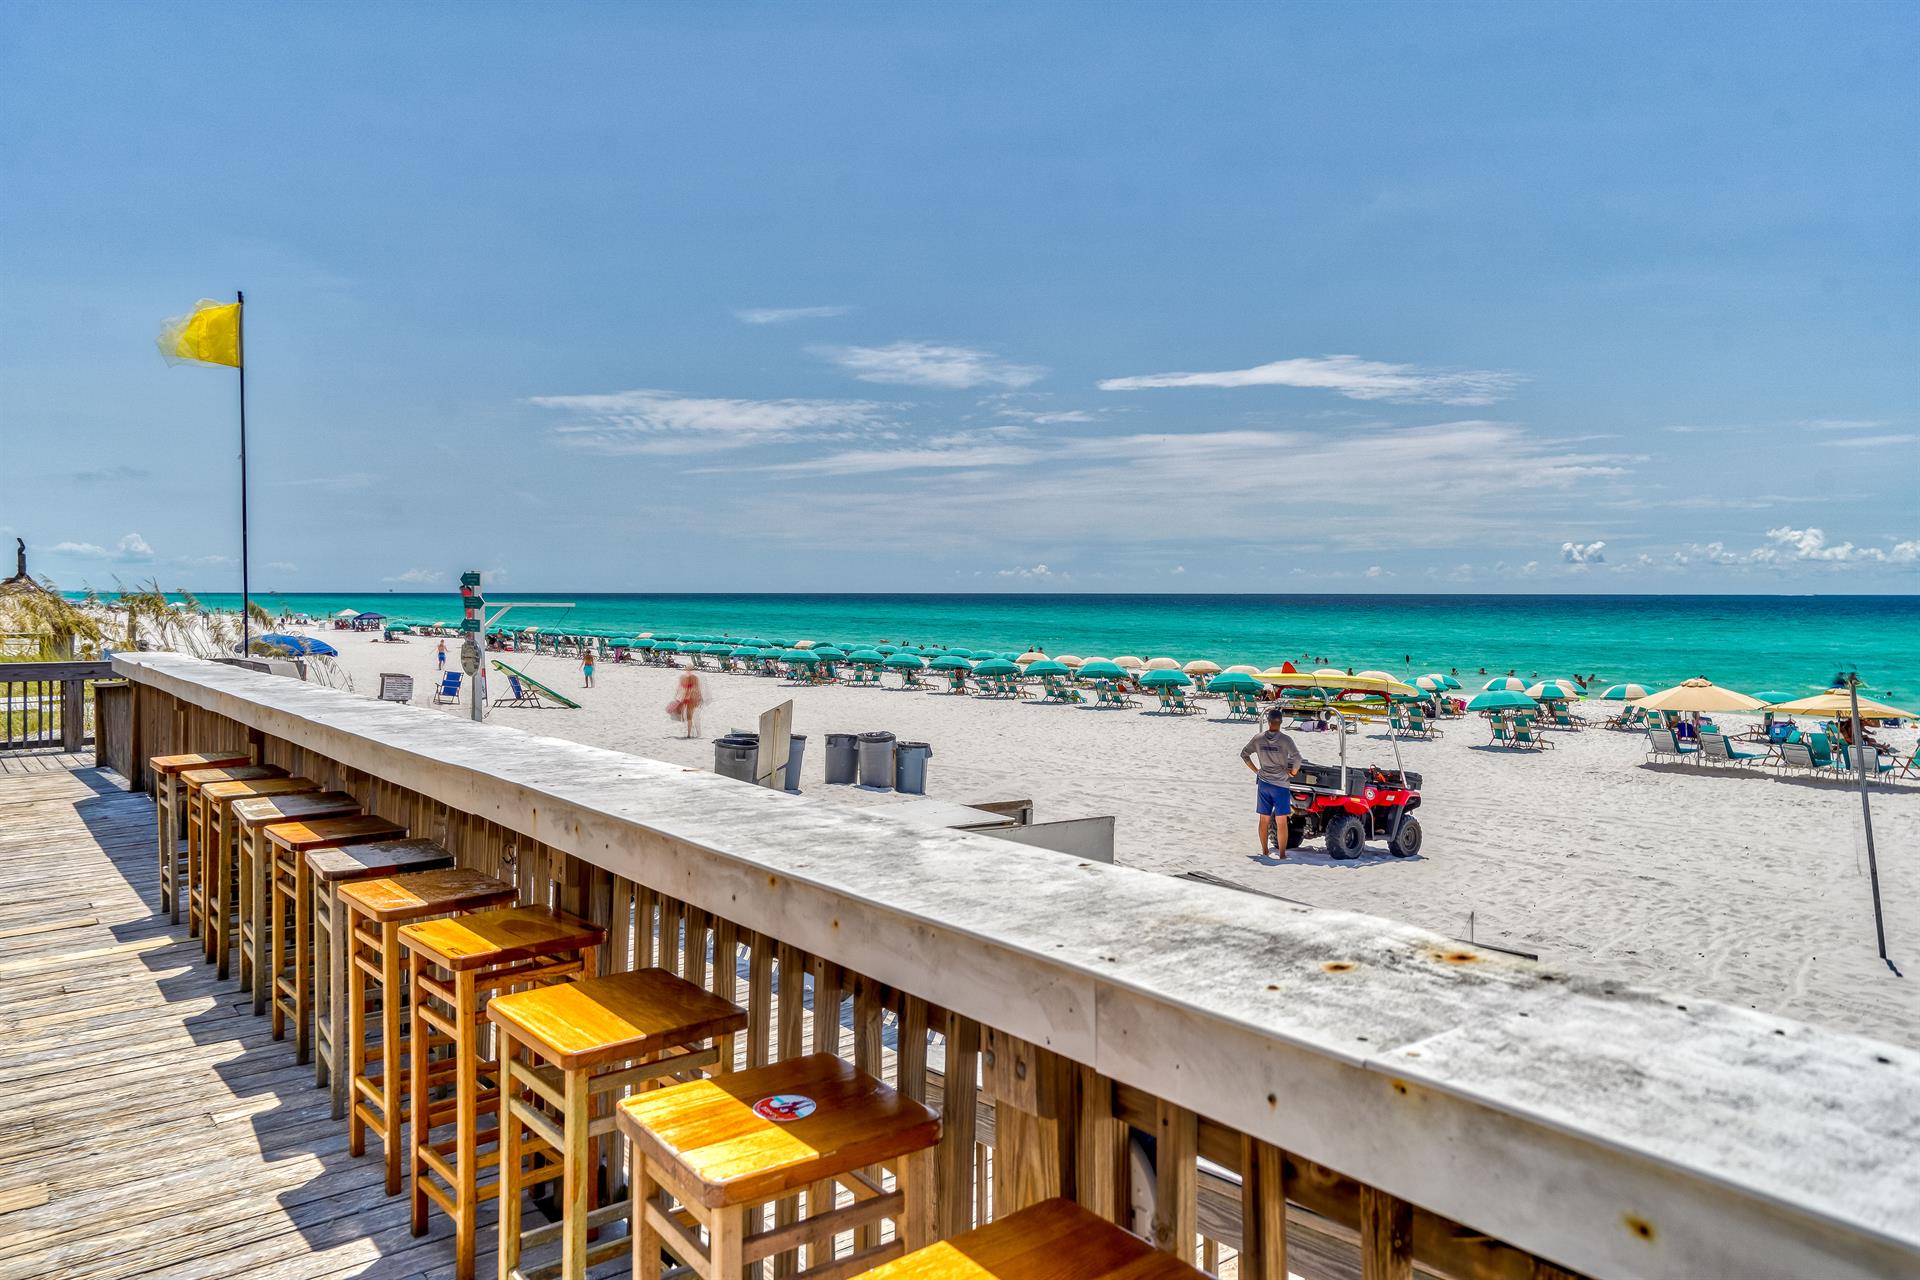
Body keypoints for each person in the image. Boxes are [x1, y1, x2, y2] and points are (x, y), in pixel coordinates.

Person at [1240, 707, 1304, 858]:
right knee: (1281, 821)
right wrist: (1293, 772)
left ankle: (1265, 851)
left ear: (1268, 722)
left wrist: (1256, 770)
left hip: (1264, 783)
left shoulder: (1258, 738)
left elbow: (1244, 754)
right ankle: (1282, 854)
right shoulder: (1285, 740)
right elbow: (1298, 758)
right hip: (1281, 785)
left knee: (1264, 819)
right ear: (1280, 722)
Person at [667, 669, 704, 738]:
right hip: (691, 701)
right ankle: (690, 733)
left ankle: (690, 733)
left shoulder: (687, 684)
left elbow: (682, 692)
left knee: (688, 717)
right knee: (689, 718)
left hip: (688, 701)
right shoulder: (694, 684)